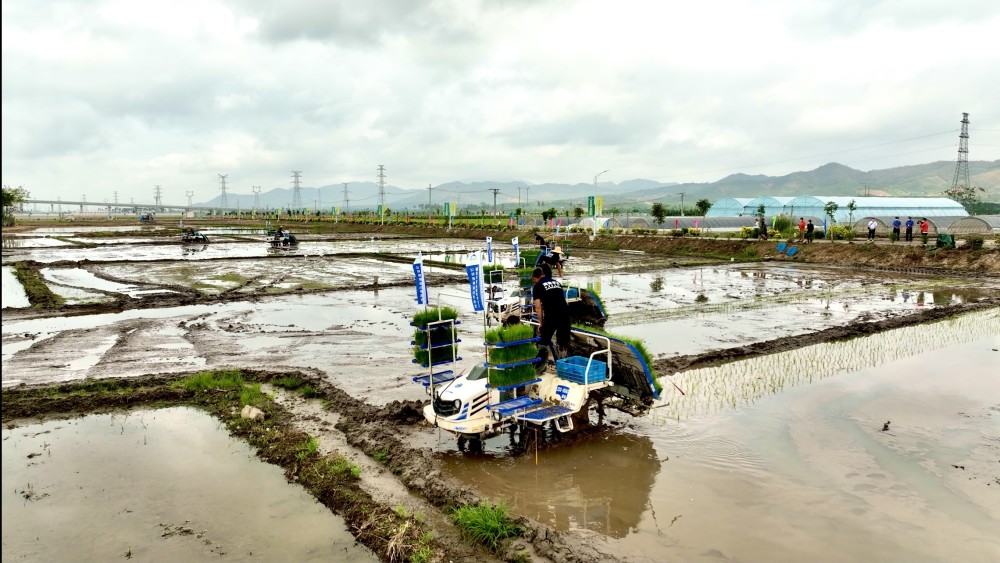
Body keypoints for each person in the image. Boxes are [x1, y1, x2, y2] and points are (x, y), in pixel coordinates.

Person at [531, 267, 570, 360]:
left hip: (552, 315)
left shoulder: (538, 286)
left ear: (534, 278)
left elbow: (538, 307)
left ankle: (540, 363)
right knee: (563, 342)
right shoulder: (557, 283)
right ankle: (563, 364)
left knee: (543, 340)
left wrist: (541, 323)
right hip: (565, 314)